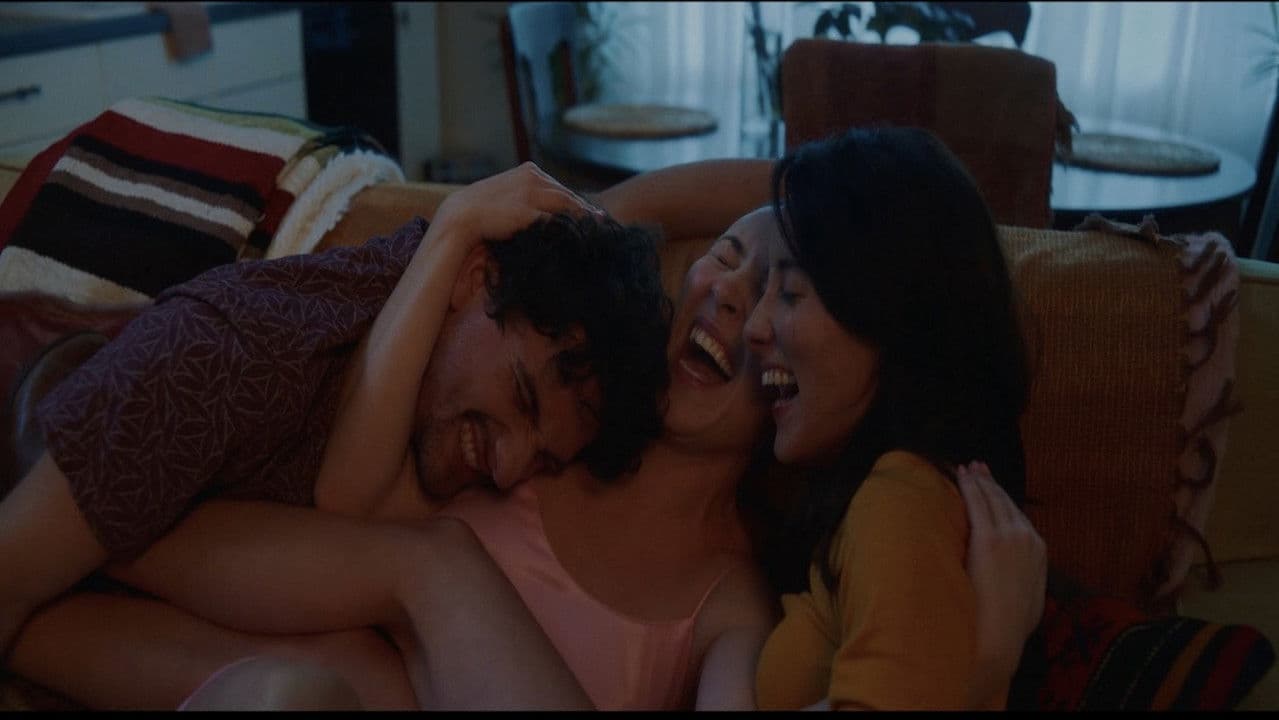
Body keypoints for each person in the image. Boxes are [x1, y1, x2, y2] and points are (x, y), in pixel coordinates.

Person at [10, 155, 1044, 711]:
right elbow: (336, 513)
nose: (738, 304)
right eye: (726, 265)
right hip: (269, 676)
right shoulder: (529, 459)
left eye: (789, 292)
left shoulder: (733, 596)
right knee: (324, 679)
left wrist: (974, 675)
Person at [0, 163, 673, 658]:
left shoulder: (431, 399)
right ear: (473, 280)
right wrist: (457, 222)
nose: (508, 467)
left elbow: (349, 497)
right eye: (521, 395)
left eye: (544, 458)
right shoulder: (225, 358)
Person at [745, 127, 1040, 709]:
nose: (755, 327)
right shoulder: (883, 492)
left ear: (888, 312)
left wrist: (986, 669)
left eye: (791, 293)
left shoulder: (900, 500)